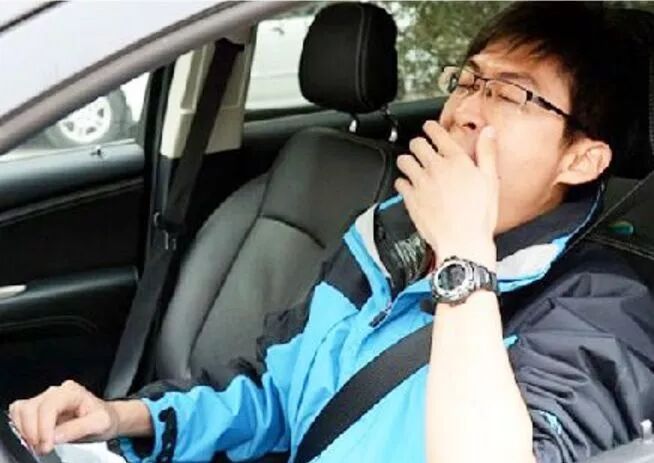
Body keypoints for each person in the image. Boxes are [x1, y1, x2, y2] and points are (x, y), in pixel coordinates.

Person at [8, 3, 654, 462]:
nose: (465, 110)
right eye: (468, 81)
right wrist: (124, 418)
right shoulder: (386, 237)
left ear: (581, 159)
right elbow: (275, 393)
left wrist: (465, 259)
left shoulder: (600, 312)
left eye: (511, 95)